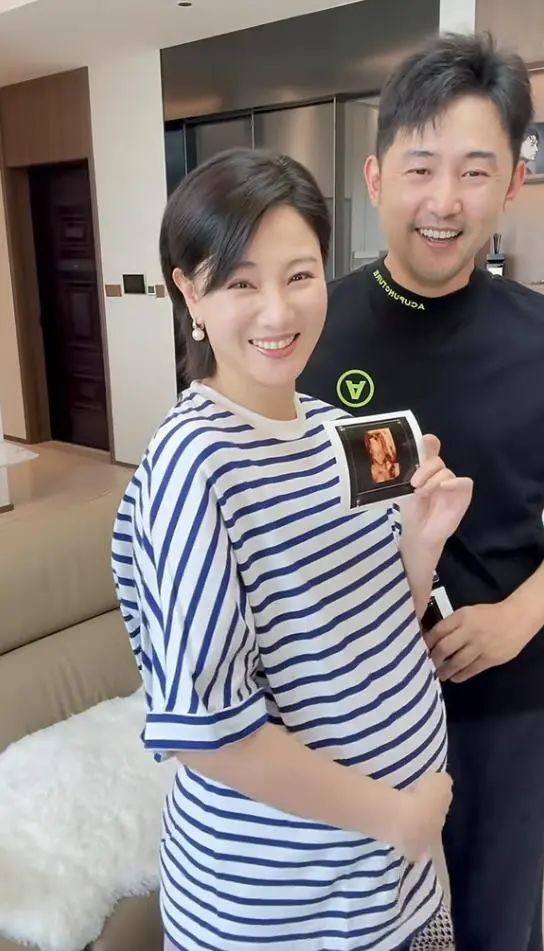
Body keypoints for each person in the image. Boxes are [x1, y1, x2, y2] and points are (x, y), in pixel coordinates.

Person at [112, 148, 473, 951]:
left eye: (300, 274)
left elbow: (369, 623)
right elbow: (210, 732)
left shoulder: (331, 428)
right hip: (281, 909)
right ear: (189, 292)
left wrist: (421, 543)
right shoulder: (193, 466)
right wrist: (398, 815)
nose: (278, 312)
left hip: (388, 882)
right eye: (241, 283)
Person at [299, 32, 544, 951]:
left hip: (503, 700)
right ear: (375, 177)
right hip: (342, 701)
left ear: (512, 184)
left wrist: (517, 618)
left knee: (492, 924)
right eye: (420, 167)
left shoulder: (538, 338)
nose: (444, 201)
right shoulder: (306, 331)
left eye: (475, 171)